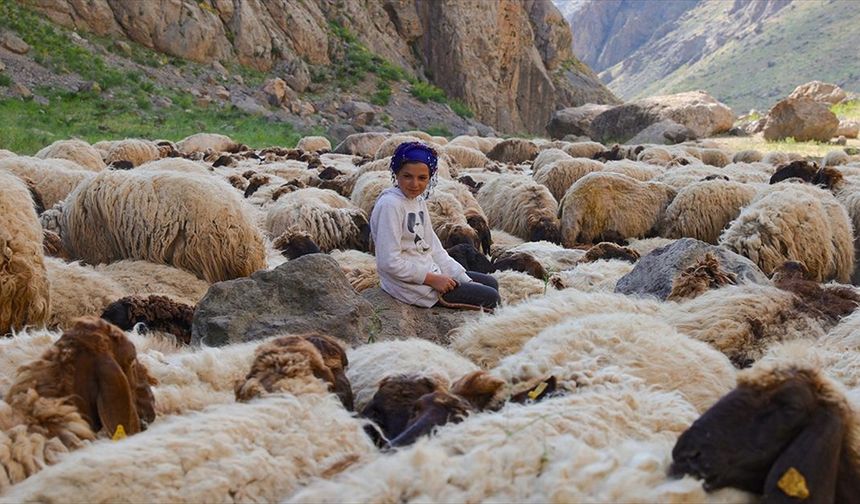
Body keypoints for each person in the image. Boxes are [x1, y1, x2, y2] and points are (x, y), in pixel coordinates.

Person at [370, 141, 501, 310]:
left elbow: (433, 247)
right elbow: (388, 262)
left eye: (422, 178)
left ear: (430, 178)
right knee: (492, 297)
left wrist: (460, 276)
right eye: (407, 176)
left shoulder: (417, 201)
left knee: (490, 282)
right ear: (396, 174)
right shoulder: (390, 205)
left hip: (428, 271)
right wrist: (432, 279)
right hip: (409, 286)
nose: (415, 184)